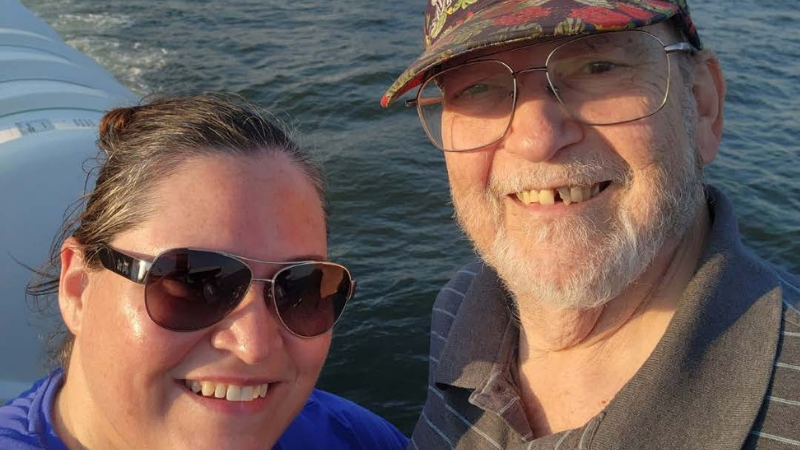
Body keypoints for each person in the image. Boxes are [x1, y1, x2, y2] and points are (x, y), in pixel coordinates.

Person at [381, 1, 799, 449]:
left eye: (598, 67)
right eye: (477, 87)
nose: (536, 138)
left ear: (701, 104)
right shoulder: (463, 308)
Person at [0, 95, 409, 450]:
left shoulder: (355, 441)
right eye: (192, 282)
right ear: (79, 288)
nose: (254, 346)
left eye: (300, 289)